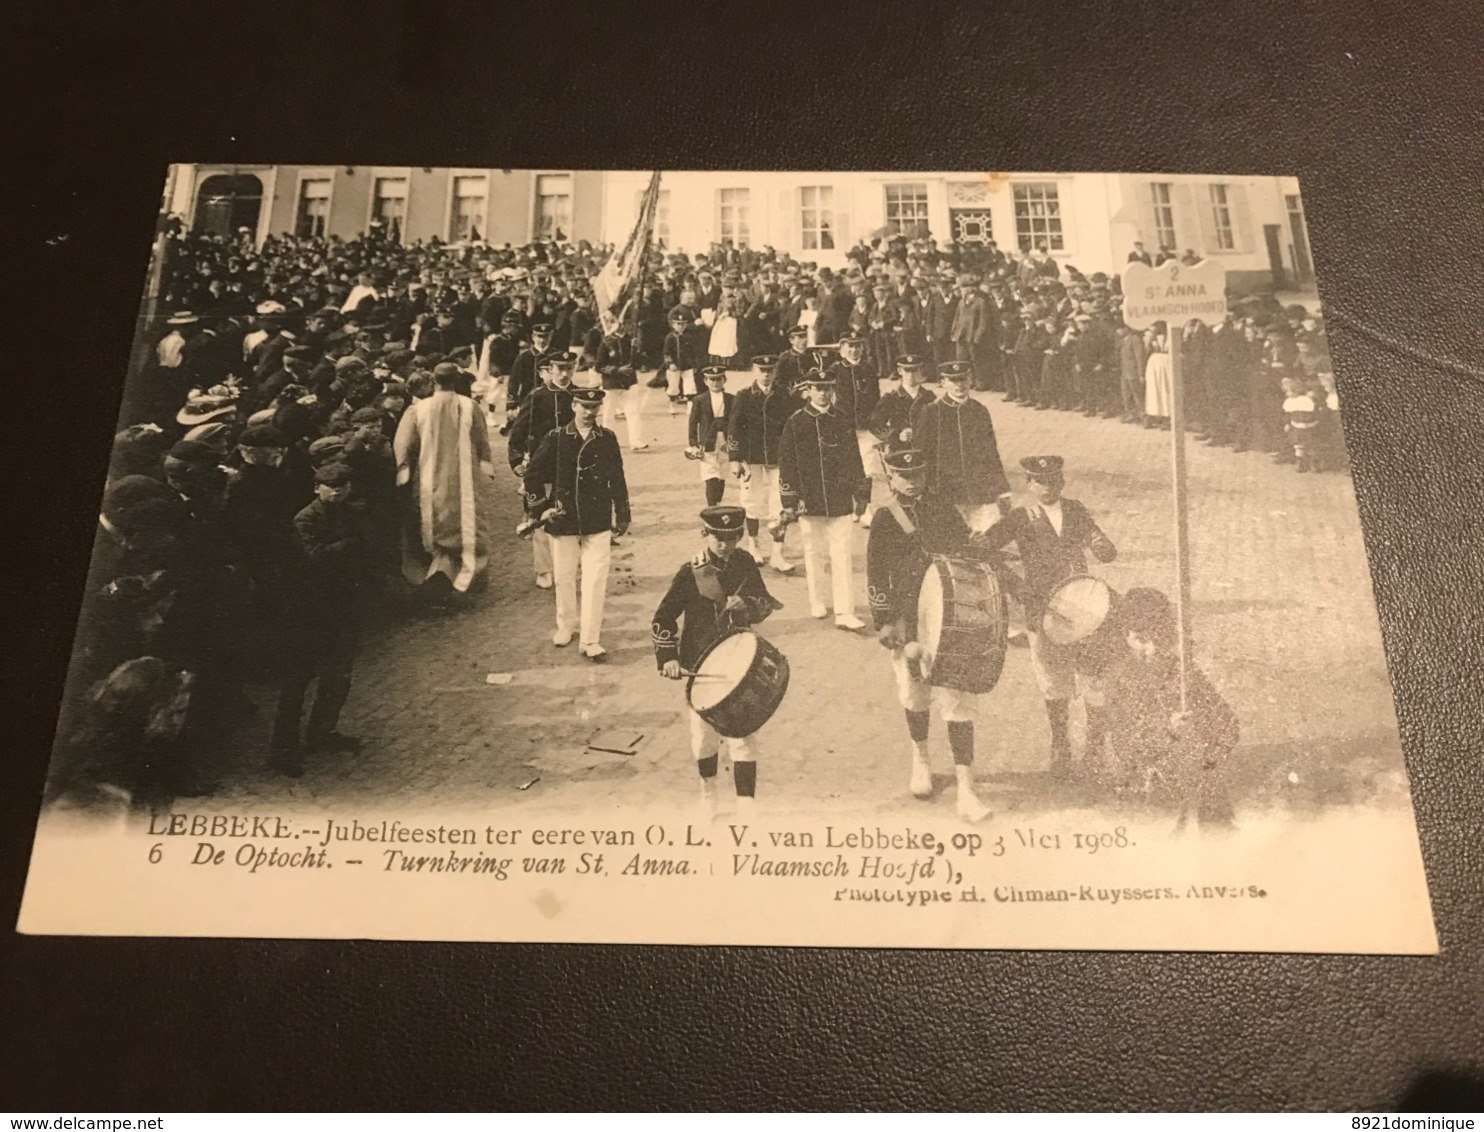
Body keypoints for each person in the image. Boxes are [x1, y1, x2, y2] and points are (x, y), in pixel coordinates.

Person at [867, 448, 994, 821]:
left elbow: (962, 551)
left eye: (918, 474)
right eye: (903, 475)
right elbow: (877, 573)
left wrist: (975, 541)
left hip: (947, 615)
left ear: (925, 474)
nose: (911, 480)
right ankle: (920, 758)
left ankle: (966, 788)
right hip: (909, 618)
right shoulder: (885, 518)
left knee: (956, 698)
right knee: (914, 694)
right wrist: (886, 621)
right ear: (891, 476)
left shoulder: (941, 506)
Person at [973, 456, 1118, 775]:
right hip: (1042, 608)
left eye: (1053, 481)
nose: (1047, 487)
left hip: (1082, 604)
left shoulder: (1076, 509)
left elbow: (1101, 545)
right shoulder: (1020, 517)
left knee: (1094, 676)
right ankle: (1061, 747)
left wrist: (1101, 544)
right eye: (1040, 481)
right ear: (1029, 484)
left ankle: (1094, 750)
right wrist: (1013, 584)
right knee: (1053, 682)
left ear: (1062, 482)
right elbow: (985, 550)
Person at [652, 504, 783, 816]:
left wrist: (748, 605)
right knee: (704, 739)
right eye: (717, 538)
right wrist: (668, 657)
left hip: (738, 661)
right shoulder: (690, 571)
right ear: (704, 534)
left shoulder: (745, 562)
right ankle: (708, 795)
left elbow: (765, 604)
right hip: (700, 663)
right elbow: (664, 616)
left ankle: (746, 804)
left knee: (744, 733)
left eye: (732, 538)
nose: (725, 545)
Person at [269, 462, 373, 775]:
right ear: (317, 488)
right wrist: (350, 546)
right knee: (297, 682)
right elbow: (311, 558)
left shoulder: (349, 512)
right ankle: (282, 750)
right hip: (308, 611)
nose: (338, 490)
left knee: (338, 676)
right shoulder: (306, 518)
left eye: (343, 485)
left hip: (341, 608)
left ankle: (321, 732)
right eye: (331, 485)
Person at [1104, 588, 1237, 828]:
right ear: (1128, 637)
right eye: (1143, 638)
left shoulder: (1183, 671)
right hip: (1152, 796)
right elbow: (1125, 746)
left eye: (1160, 635)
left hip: (1201, 790)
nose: (1154, 646)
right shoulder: (1120, 680)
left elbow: (1227, 722)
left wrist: (1211, 753)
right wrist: (1169, 730)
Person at [524, 386, 631, 661]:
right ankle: (566, 625)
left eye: (593, 407)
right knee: (564, 576)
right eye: (583, 406)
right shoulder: (557, 437)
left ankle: (590, 639)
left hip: (597, 517)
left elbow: (617, 478)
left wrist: (622, 512)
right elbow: (533, 474)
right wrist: (542, 507)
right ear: (574, 406)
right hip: (564, 518)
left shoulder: (606, 438)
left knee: (596, 579)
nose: (589, 412)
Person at [393, 361, 496, 596]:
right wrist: (485, 462)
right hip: (464, 478)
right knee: (467, 522)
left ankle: (438, 570)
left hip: (430, 477)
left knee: (435, 522)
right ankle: (468, 576)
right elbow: (481, 438)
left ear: (433, 381)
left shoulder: (418, 409)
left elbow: (403, 442)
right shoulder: (469, 406)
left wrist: (403, 468)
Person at [778, 370, 870, 631]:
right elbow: (787, 464)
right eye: (818, 388)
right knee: (814, 552)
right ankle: (817, 600)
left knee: (841, 555)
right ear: (808, 390)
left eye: (828, 387)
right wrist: (789, 500)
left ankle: (845, 611)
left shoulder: (841, 419)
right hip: (810, 500)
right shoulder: (796, 422)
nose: (823, 392)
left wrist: (860, 493)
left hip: (840, 499)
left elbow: (854, 459)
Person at [913, 360, 1011, 532]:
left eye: (963, 379)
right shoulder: (932, 412)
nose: (959, 385)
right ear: (943, 382)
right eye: (953, 380)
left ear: (970, 380)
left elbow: (991, 452)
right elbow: (921, 454)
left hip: (979, 491)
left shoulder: (979, 411)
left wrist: (1002, 489)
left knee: (986, 540)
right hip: (946, 493)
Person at [508, 352, 577, 589]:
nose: (565, 374)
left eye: (569, 368)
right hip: (543, 465)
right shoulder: (537, 397)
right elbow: (517, 431)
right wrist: (517, 461)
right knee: (540, 513)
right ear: (550, 369)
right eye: (559, 369)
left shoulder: (578, 395)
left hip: (571, 465)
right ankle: (544, 569)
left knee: (568, 512)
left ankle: (565, 566)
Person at [727, 354, 798, 572]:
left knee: (781, 501)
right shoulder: (744, 396)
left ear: (775, 372)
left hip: (778, 457)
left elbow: (791, 425)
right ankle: (754, 545)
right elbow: (735, 427)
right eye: (761, 370)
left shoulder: (784, 395)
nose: (766, 374)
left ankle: (777, 553)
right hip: (752, 456)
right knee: (752, 500)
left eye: (770, 370)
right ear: (753, 371)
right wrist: (735, 458)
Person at [869, 354, 936, 457]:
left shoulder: (929, 397)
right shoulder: (891, 398)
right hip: (899, 450)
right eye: (907, 370)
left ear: (920, 371)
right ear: (900, 371)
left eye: (914, 370)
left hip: (925, 450)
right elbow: (875, 424)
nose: (910, 375)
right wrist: (896, 435)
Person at [688, 365, 735, 507]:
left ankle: (718, 502)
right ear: (705, 381)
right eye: (712, 379)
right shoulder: (700, 400)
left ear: (724, 379)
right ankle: (712, 508)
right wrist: (693, 444)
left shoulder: (731, 399)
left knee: (722, 474)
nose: (715, 382)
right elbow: (693, 422)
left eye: (718, 379)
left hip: (725, 441)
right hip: (708, 441)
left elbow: (736, 421)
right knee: (710, 475)